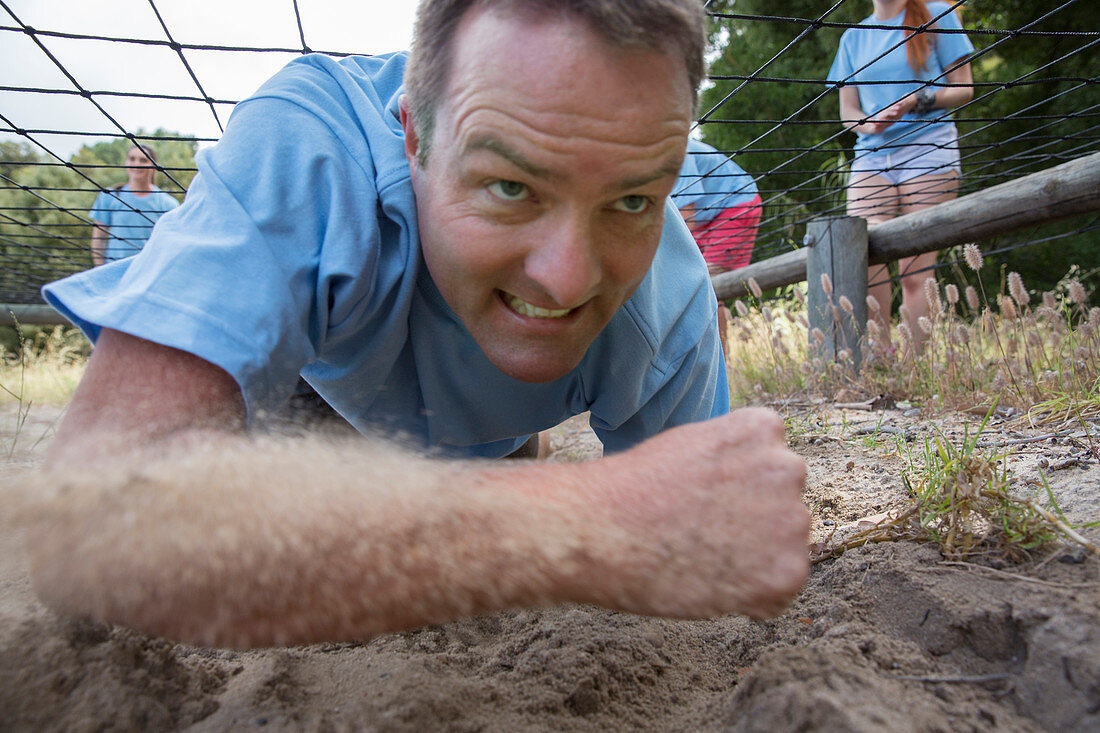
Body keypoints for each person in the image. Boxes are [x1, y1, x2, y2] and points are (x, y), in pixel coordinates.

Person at [25, 0, 809, 649]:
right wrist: (584, 520)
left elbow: (714, 560)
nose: (570, 276)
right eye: (510, 185)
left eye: (634, 200)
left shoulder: (666, 302)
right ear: (412, 138)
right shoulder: (308, 148)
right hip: (316, 396)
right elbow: (88, 524)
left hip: (490, 435)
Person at [827, 0, 973, 347]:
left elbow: (965, 88)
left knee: (914, 271)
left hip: (929, 148)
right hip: (872, 155)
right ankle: (881, 359)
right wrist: (867, 124)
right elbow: (848, 112)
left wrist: (916, 101)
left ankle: (914, 367)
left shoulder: (937, 13)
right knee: (860, 252)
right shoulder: (852, 37)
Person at [674, 139, 762, 275]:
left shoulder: (676, 152)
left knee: (711, 277)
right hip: (704, 217)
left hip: (735, 203)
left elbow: (685, 221)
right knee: (689, 273)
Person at [88, 145, 180, 266]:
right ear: (126, 163)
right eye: (132, 159)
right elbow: (98, 240)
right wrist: (101, 274)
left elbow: (171, 245)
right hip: (115, 271)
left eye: (143, 160)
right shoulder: (110, 196)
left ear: (153, 166)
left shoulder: (168, 204)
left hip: (149, 272)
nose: (137, 164)